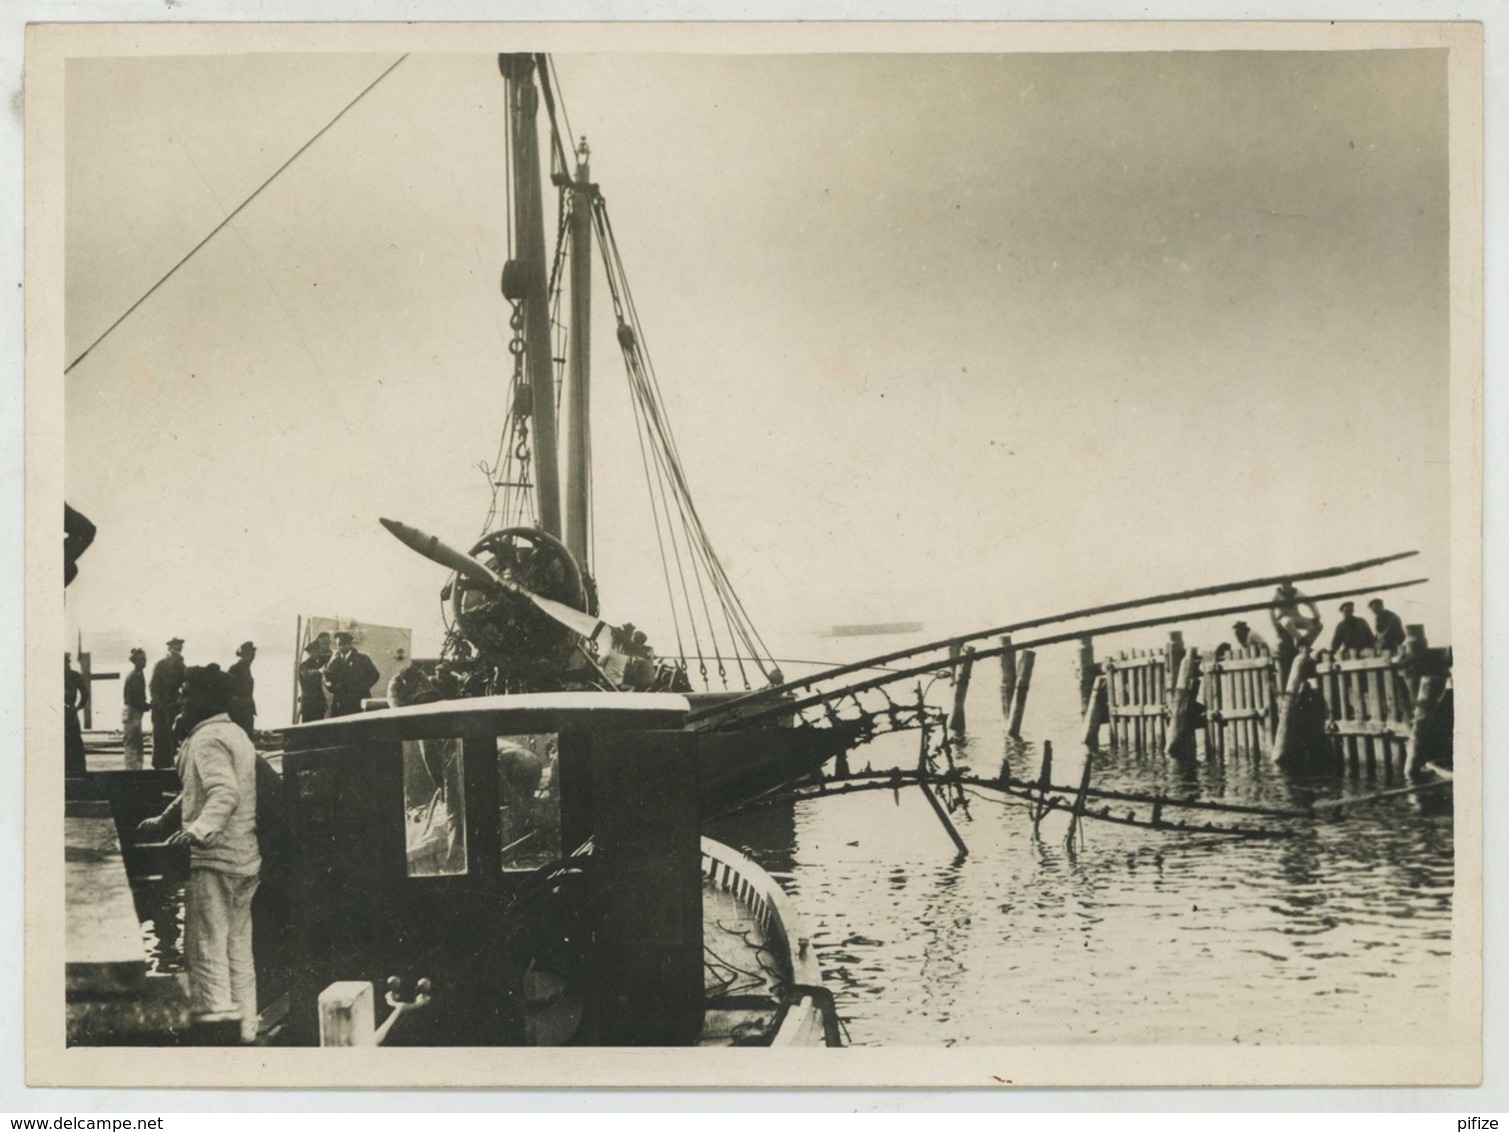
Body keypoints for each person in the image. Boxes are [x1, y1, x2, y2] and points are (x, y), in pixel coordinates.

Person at [137, 665, 261, 1043]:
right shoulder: (235, 733)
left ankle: (218, 1040)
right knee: (239, 952)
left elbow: (224, 793)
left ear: (206, 699)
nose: (180, 698)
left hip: (215, 862)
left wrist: (195, 831)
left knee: (206, 954)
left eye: (187, 692)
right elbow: (198, 789)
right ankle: (247, 1031)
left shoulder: (206, 739)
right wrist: (164, 818)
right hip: (245, 860)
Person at [149, 638, 187, 769]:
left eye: (179, 649)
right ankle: (159, 765)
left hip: (174, 706)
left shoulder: (181, 666)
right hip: (161, 705)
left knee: (172, 737)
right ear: (169, 650)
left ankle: (171, 764)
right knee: (160, 737)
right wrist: (158, 702)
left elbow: (185, 684)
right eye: (175, 649)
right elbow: (153, 686)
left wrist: (180, 699)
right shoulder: (161, 665)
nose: (177, 652)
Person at [323, 631, 380, 717]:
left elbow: (375, 675)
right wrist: (332, 687)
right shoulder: (334, 661)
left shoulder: (362, 659)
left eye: (342, 644)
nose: (339, 648)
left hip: (357, 701)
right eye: (338, 645)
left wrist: (361, 687)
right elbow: (327, 677)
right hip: (339, 703)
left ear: (349, 645)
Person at [122, 648, 150, 771]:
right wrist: (147, 706)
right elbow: (134, 699)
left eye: (145, 659)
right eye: (141, 659)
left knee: (135, 740)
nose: (144, 662)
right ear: (135, 661)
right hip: (132, 711)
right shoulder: (135, 676)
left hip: (134, 711)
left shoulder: (138, 674)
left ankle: (135, 767)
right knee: (133, 741)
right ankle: (132, 768)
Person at [297, 634, 332, 723]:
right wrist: (319, 671)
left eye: (319, 651)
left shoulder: (318, 663)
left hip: (319, 703)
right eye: (316, 651)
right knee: (307, 728)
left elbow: (329, 655)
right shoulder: (303, 666)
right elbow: (308, 673)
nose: (318, 653)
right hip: (308, 704)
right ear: (311, 652)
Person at [65, 653, 88, 778]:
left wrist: (78, 707)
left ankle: (78, 771)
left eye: (66, 662)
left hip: (70, 712)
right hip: (63, 713)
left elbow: (84, 694)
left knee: (74, 742)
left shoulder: (74, 676)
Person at [227, 641, 257, 736]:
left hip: (247, 710)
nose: (252, 657)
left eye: (253, 655)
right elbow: (228, 691)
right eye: (250, 655)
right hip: (238, 711)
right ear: (243, 655)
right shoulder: (235, 669)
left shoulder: (246, 669)